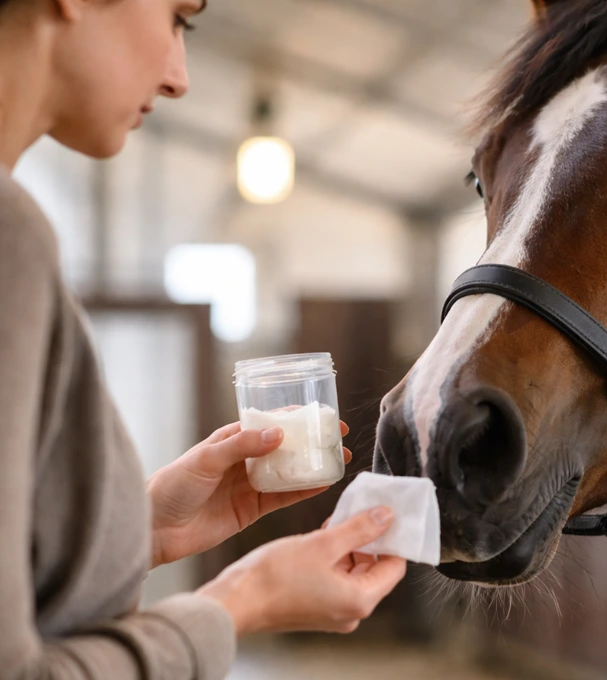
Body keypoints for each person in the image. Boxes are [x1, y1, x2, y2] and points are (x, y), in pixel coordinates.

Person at [0, 0, 408, 677]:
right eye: (178, 18)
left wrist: (148, 529)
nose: (179, 77)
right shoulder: (10, 236)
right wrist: (244, 600)